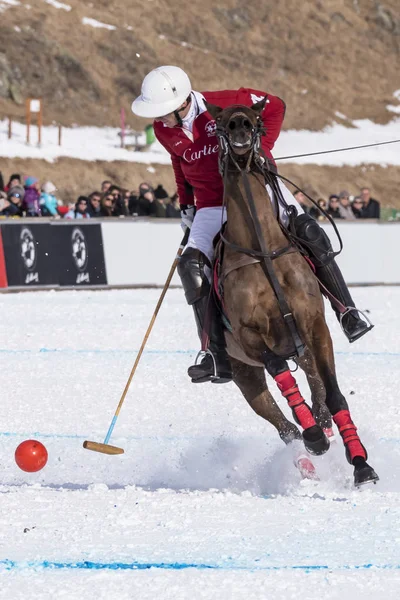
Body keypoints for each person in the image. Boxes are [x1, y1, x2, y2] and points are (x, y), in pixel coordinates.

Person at [132, 66, 372, 384]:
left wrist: (262, 148)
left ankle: (346, 311)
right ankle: (214, 352)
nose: (158, 120)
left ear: (182, 102)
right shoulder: (164, 130)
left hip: (258, 187)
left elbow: (276, 107)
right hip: (210, 203)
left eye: (163, 112)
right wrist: (186, 204)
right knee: (190, 265)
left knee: (309, 231)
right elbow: (180, 163)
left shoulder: (231, 101)